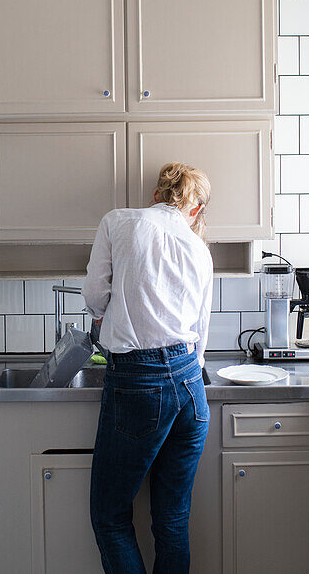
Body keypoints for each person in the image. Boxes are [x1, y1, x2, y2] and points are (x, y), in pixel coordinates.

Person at [83, 162, 214, 574]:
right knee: (172, 519)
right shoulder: (200, 249)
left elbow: (94, 294)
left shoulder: (118, 221)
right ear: (195, 210)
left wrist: (107, 317)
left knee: (110, 515)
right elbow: (200, 331)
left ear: (156, 195)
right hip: (191, 385)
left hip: (139, 383)